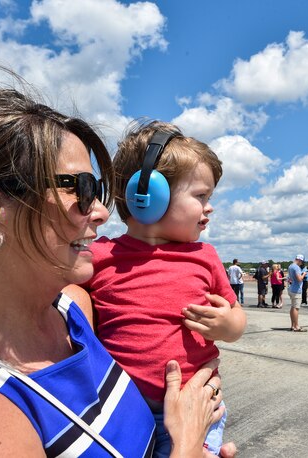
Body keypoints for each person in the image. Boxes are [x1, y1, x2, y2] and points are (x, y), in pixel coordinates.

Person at [0, 64, 231, 457]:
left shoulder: (75, 313)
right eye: (81, 188)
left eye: (98, 188)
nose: (100, 210)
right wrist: (185, 442)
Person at [75, 121, 246, 456]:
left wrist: (228, 325)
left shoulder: (204, 256)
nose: (209, 207)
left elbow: (236, 315)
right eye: (201, 196)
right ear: (146, 197)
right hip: (122, 410)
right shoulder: (99, 257)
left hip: (196, 407)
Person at [287, 255, 308, 332]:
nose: (301, 264)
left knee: (293, 307)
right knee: (296, 308)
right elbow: (299, 279)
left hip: (291, 288)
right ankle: (296, 326)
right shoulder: (296, 267)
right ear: (299, 260)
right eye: (302, 262)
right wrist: (304, 274)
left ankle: (293, 325)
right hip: (296, 290)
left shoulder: (290, 266)